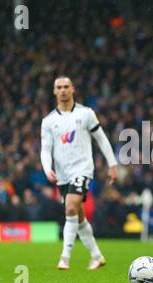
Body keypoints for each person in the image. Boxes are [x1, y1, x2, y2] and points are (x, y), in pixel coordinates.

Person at [41, 76, 118, 270]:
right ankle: (97, 255)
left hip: (83, 169)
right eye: (59, 87)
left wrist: (112, 164)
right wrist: (47, 168)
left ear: (73, 89)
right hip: (62, 174)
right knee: (78, 214)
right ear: (54, 91)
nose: (63, 90)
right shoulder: (49, 121)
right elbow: (45, 148)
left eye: (66, 86)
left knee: (70, 207)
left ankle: (64, 257)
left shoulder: (86, 114)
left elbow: (101, 139)